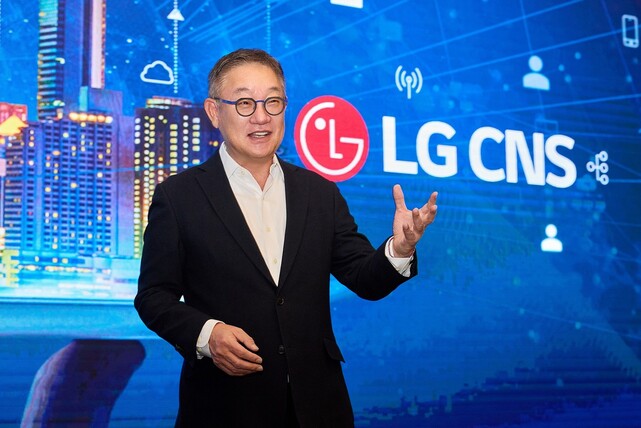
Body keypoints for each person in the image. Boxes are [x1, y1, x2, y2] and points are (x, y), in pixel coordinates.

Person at [134, 48, 438, 428]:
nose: (261, 117)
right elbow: (153, 297)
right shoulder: (179, 197)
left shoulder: (319, 193)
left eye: (272, 102)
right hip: (224, 406)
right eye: (244, 103)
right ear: (214, 112)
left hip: (319, 407)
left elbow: (364, 278)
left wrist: (401, 248)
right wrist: (207, 335)